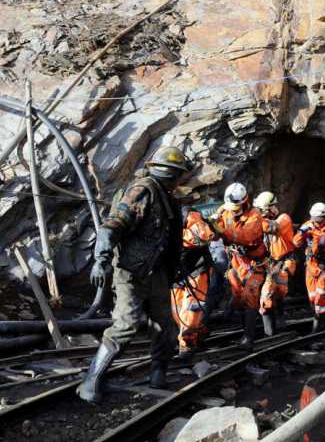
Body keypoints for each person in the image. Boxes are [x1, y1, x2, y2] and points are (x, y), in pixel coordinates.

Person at [77, 146, 190, 403]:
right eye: (177, 175)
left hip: (157, 272)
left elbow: (169, 240)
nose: (177, 180)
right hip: (131, 272)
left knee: (165, 326)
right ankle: (91, 381)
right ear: (172, 174)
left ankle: (158, 372)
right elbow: (111, 227)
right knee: (127, 324)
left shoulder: (169, 198)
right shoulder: (143, 190)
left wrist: (176, 267)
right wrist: (101, 259)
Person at [209, 182, 267, 350]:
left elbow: (244, 236)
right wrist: (213, 223)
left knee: (250, 296)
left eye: (234, 207)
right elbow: (215, 234)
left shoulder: (254, 216)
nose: (232, 210)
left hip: (254, 263)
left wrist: (220, 230)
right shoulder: (226, 211)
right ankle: (242, 329)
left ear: (243, 202)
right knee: (238, 297)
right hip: (236, 260)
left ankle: (249, 338)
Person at [170, 208, 220, 358]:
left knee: (192, 308)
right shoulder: (153, 223)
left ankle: (187, 345)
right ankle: (199, 331)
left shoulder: (188, 215)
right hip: (177, 272)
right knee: (177, 310)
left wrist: (179, 237)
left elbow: (205, 236)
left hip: (196, 268)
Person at [253, 191, 296, 336]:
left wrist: (254, 219)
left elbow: (272, 228)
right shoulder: (264, 222)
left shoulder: (284, 219)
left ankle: (270, 335)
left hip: (283, 263)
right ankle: (277, 328)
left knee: (267, 297)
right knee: (272, 296)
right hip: (269, 264)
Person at [293, 202, 325, 333]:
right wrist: (301, 232)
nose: (316, 223)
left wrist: (311, 233)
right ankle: (323, 324)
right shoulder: (308, 225)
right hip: (311, 267)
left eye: (319, 221)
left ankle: (316, 331)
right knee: (313, 298)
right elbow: (296, 243)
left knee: (321, 299)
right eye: (314, 221)